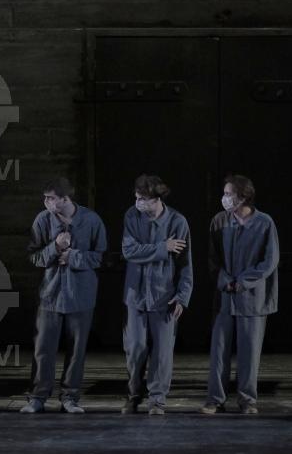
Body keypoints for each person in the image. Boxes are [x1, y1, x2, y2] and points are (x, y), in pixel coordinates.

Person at [20, 177, 107, 414]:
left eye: (51, 198)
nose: (46, 202)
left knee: (77, 350)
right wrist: (55, 248)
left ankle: (70, 397)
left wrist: (73, 256)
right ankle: (38, 397)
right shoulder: (42, 220)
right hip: (50, 295)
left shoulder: (91, 220)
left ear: (65, 199)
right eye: (45, 198)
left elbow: (100, 257)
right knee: (43, 348)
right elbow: (34, 256)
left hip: (81, 295)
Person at [201, 175, 279, 415]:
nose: (224, 198)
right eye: (224, 193)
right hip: (225, 297)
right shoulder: (219, 221)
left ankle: (247, 400)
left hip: (252, 298)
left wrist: (243, 282)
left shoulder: (264, 223)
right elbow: (212, 259)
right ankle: (215, 399)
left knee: (249, 352)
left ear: (243, 196)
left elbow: (270, 261)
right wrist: (226, 282)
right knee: (219, 351)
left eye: (229, 194)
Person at [120, 174, 193, 416]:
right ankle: (133, 395)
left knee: (162, 352)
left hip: (164, 295)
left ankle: (157, 400)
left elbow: (185, 264)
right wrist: (163, 247)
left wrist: (182, 295)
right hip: (136, 294)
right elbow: (129, 251)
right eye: (136, 197)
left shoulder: (177, 222)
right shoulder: (132, 216)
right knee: (135, 348)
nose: (138, 202)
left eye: (143, 199)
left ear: (156, 199)